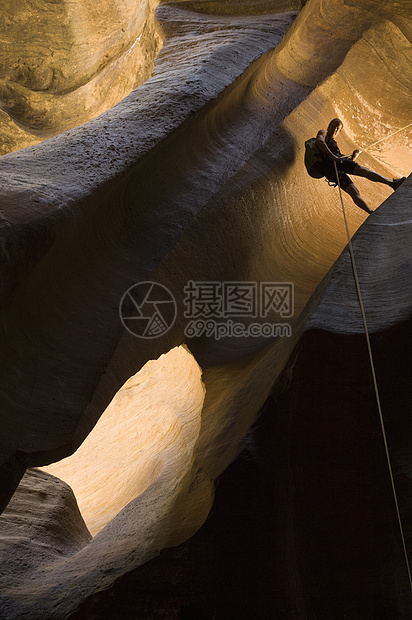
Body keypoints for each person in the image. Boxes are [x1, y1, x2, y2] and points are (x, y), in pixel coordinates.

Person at [309, 118, 406, 214]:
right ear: (329, 126)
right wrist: (333, 157)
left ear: (339, 132)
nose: (335, 130)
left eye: (338, 129)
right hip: (334, 165)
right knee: (363, 170)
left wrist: (354, 156)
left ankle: (370, 212)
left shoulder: (333, 143)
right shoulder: (323, 133)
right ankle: (392, 184)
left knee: (354, 191)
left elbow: (342, 159)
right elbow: (320, 142)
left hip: (332, 172)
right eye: (333, 126)